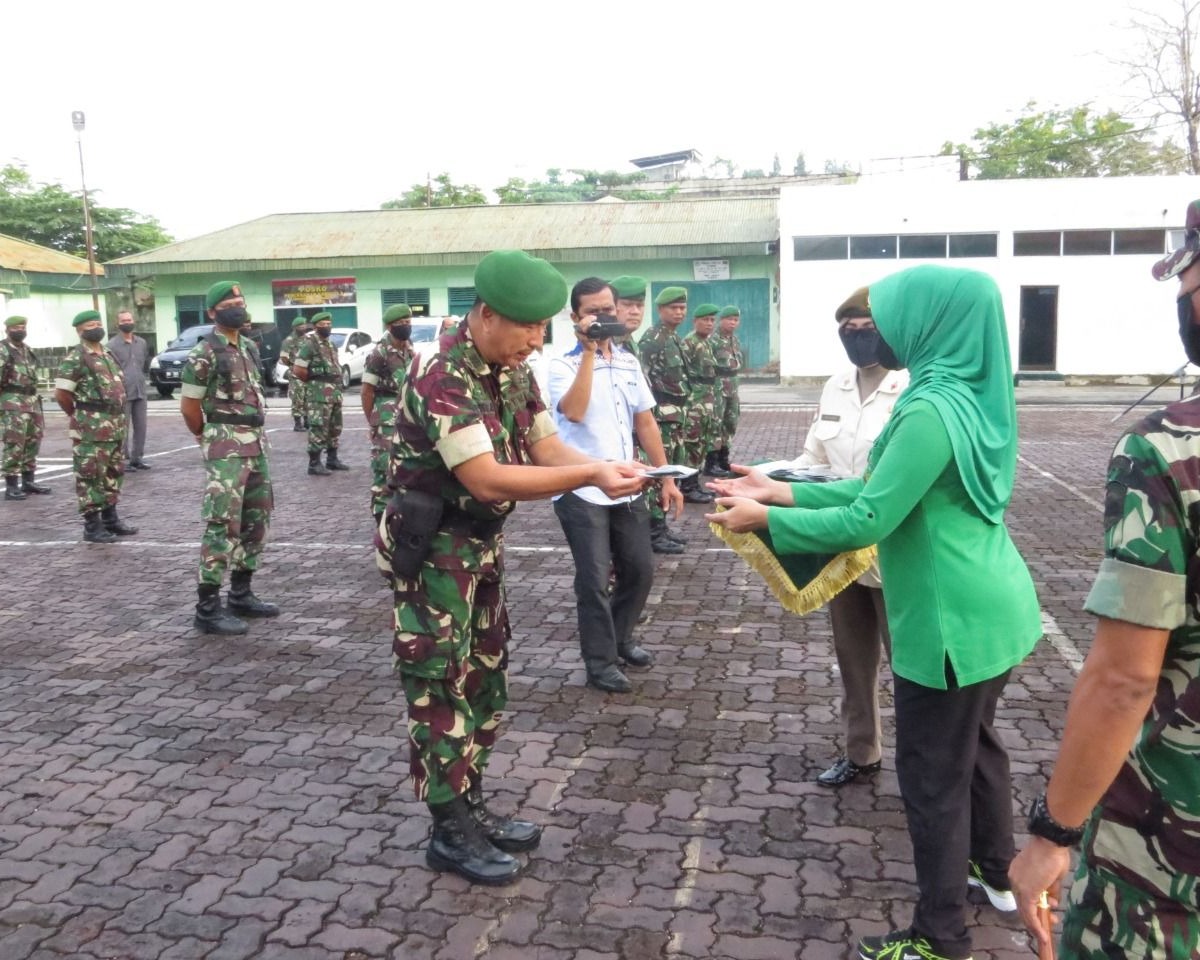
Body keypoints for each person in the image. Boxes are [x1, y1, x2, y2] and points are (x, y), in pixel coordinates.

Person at [707, 265, 1042, 960]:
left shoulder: (927, 406)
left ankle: (940, 934)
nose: (876, 331)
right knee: (976, 745)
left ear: (927, 321)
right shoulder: (974, 390)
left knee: (930, 777)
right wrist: (781, 493)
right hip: (994, 604)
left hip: (947, 616)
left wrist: (762, 522)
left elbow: (869, 516)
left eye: (888, 317)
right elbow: (877, 487)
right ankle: (994, 868)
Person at [377, 249, 648, 886]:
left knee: (484, 677)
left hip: (478, 548)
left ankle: (471, 804)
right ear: (487, 314)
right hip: (434, 553)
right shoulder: (442, 371)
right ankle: (447, 830)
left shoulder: (512, 365)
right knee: (440, 685)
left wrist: (608, 465)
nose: (536, 340)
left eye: (542, 328)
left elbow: (544, 444)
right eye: (527, 326)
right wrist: (588, 474)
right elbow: (486, 474)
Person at [1009, 201, 1200, 960]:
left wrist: (1053, 833)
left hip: (1172, 851)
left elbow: (1125, 678)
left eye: (1185, 274)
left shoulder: (1170, 449)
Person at [548, 277, 683, 693]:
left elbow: (645, 421)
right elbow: (572, 412)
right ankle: (600, 662)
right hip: (581, 488)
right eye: (593, 310)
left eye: (609, 308)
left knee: (640, 570)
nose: (604, 316)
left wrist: (666, 477)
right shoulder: (560, 364)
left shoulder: (627, 361)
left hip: (627, 483)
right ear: (575, 317)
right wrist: (589, 353)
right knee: (593, 580)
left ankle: (622, 638)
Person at [792, 306, 909, 787]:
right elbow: (813, 457)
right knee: (852, 656)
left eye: (868, 330)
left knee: (909, 664)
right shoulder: (835, 386)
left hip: (895, 550)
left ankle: (922, 765)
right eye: (849, 330)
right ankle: (862, 753)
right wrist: (770, 479)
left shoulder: (914, 388)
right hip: (842, 548)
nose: (858, 338)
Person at [180, 280, 278, 635]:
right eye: (229, 301)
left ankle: (241, 593)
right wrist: (207, 438)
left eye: (240, 298)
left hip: (256, 443)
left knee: (257, 519)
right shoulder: (204, 352)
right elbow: (190, 406)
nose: (238, 304)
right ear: (212, 313)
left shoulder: (249, 346)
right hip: (225, 446)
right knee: (222, 524)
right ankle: (207, 608)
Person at [54, 310, 138, 543]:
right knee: (90, 475)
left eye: (99, 323)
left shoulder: (108, 354)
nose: (97, 328)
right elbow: (62, 394)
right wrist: (80, 415)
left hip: (115, 426)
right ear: (80, 330)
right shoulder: (76, 357)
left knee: (113, 473)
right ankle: (92, 526)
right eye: (91, 324)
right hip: (91, 428)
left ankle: (111, 519)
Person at [638, 286, 692, 551]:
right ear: (660, 310)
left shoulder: (672, 337)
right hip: (661, 416)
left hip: (676, 415)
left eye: (682, 308)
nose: (679, 312)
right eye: (674, 308)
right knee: (660, 474)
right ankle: (653, 532)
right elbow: (643, 381)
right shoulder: (652, 340)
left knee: (671, 471)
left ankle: (662, 528)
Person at [362, 304, 414, 524]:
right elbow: (367, 391)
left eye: (408, 323)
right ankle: (381, 518)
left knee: (404, 465)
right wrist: (373, 423)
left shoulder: (408, 348)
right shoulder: (379, 353)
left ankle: (398, 513)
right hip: (385, 414)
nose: (405, 327)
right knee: (384, 467)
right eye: (400, 324)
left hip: (406, 414)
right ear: (389, 326)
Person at [1, 315, 51, 501]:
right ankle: (11, 486)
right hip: (12, 402)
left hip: (31, 400)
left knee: (32, 441)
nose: (20, 330)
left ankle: (28, 481)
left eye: (22, 326)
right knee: (15, 443)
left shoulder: (27, 350)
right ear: (7, 329)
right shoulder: (3, 350)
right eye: (16, 327)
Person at [293, 311, 349, 475]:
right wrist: (314, 382)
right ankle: (314, 463)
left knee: (334, 426)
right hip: (318, 393)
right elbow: (298, 369)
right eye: (323, 325)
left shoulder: (330, 345)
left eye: (329, 324)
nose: (327, 327)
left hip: (334, 392)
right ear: (316, 326)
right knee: (319, 427)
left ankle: (332, 459)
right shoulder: (310, 344)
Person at [681, 303, 720, 492]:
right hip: (695, 401)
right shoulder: (689, 342)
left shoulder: (706, 342)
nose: (709, 323)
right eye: (705, 320)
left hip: (706, 399)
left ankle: (694, 483)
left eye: (712, 320)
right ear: (695, 321)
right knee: (692, 443)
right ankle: (688, 486)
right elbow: (683, 374)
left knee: (703, 442)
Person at [107, 309, 151, 470]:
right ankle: (122, 461)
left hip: (140, 389)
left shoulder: (142, 343)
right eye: (123, 321)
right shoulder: (111, 345)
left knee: (141, 426)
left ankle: (137, 458)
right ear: (117, 324)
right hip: (122, 392)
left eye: (129, 320)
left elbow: (142, 363)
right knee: (122, 427)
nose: (127, 323)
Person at [710, 305, 745, 477]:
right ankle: (712, 462)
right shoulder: (712, 339)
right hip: (718, 386)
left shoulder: (735, 340)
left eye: (736, 320)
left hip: (733, 386)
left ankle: (724, 459)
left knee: (730, 423)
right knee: (716, 424)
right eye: (729, 319)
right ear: (721, 320)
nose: (733, 322)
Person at [279, 318, 311, 431]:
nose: (303, 327)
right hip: (296, 374)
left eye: (304, 325)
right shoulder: (289, 340)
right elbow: (284, 357)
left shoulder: (308, 339)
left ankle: (308, 421)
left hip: (307, 373)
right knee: (298, 398)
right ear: (295, 327)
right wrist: (292, 366)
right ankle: (298, 424)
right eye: (300, 326)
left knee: (308, 397)